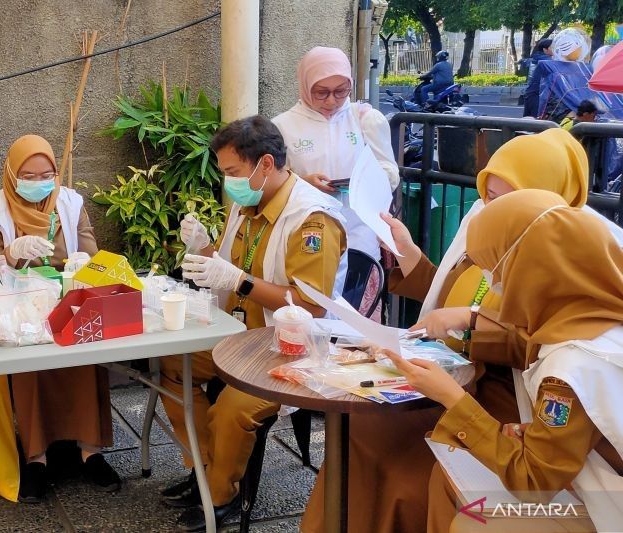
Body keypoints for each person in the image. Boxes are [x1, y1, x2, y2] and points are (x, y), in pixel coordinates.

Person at [300, 128, 623, 533]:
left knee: (430, 483)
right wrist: (413, 262)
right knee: (359, 433)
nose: (489, 207)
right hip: (463, 386)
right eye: (488, 194)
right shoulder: (505, 235)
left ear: (545, 197)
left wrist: (468, 329)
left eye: (507, 197)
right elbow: (454, 296)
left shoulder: (554, 256)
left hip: (501, 397)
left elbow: (533, 342)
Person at [384, 189, 623, 532]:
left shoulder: (571, 366)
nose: (492, 286)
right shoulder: (594, 315)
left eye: (495, 274)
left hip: (605, 507)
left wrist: (451, 397)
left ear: (531, 271)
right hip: (588, 477)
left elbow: (534, 483)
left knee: (474, 521)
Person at [160, 115, 347, 531]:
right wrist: (203, 246)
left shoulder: (313, 220)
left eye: (233, 172)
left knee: (234, 405)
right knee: (172, 364)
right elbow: (228, 269)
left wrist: (238, 281)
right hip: (241, 334)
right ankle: (204, 469)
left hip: (293, 346)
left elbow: (310, 306)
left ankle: (223, 495)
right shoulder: (250, 203)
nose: (228, 181)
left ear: (265, 163)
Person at [0, 134, 120, 502]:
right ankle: (36, 458)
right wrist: (11, 252)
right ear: (10, 173)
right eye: (28, 174)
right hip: (19, 307)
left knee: (86, 356)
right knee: (28, 365)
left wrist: (86, 263)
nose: (38, 183)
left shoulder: (69, 203)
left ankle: (91, 451)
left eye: (46, 174)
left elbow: (90, 251)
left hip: (68, 302)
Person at [272, 46, 399, 315]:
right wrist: (303, 182)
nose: (332, 101)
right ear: (305, 86)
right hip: (308, 237)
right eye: (321, 92)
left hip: (359, 233)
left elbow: (390, 172)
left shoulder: (365, 119)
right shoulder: (283, 126)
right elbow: (273, 181)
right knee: (312, 313)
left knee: (357, 323)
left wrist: (364, 183)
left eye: (341, 91)